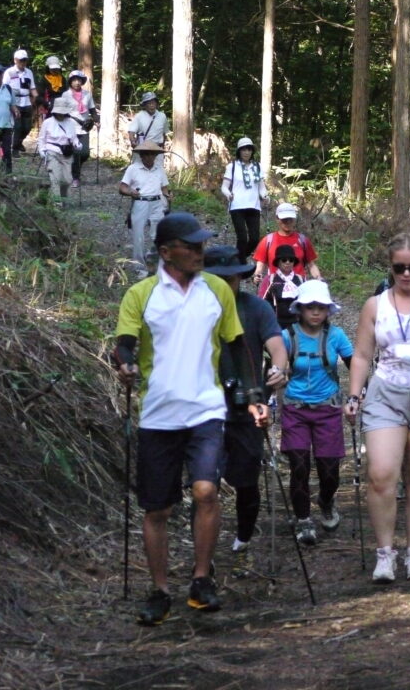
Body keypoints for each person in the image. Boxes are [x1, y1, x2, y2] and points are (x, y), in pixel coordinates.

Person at [114, 212, 267, 626]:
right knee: (157, 509)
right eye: (192, 246)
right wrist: (124, 364)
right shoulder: (141, 295)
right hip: (158, 414)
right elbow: (124, 344)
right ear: (166, 252)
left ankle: (201, 580)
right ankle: (160, 590)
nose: (201, 251)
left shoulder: (215, 290)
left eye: (203, 244)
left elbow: (237, 346)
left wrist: (254, 396)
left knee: (206, 491)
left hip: (206, 409)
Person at [344, 233, 410, 582]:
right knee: (381, 475)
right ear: (390, 268)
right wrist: (354, 395)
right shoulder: (375, 305)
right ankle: (385, 554)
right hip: (387, 391)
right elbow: (362, 355)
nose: (406, 274)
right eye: (399, 268)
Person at [202, 245, 289, 576]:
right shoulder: (195, 308)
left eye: (232, 278)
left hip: (247, 404)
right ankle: (204, 555)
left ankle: (243, 541)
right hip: (203, 406)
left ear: (241, 277)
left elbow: (276, 346)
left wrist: (278, 369)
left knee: (247, 480)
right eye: (218, 278)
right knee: (203, 483)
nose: (226, 284)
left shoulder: (256, 308)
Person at [281, 280, 353, 545]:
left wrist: (357, 395)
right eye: (310, 306)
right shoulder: (287, 336)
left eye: (321, 307)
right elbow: (275, 367)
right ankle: (303, 520)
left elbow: (354, 363)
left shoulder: (336, 336)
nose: (315, 312)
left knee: (329, 470)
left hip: (328, 408)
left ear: (327, 310)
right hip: (295, 409)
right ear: (299, 309)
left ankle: (326, 499)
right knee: (299, 465)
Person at [119, 142, 172, 267]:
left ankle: (157, 262)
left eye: (152, 154)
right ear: (141, 155)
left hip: (157, 203)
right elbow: (122, 187)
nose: (149, 157)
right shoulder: (133, 168)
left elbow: (164, 188)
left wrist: (168, 195)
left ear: (156, 156)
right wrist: (130, 192)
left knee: (159, 234)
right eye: (146, 154)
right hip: (140, 202)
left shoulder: (159, 169)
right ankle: (139, 267)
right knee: (138, 236)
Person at [220, 137, 269, 263]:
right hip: (237, 206)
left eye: (249, 149)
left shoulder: (258, 167)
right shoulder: (232, 166)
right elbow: (224, 187)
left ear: (252, 151)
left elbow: (261, 188)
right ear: (239, 151)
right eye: (243, 150)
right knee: (242, 238)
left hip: (254, 206)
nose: (246, 152)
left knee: (254, 239)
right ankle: (240, 265)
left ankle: (236, 259)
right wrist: (228, 194)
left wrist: (265, 196)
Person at [251, 203, 321, 284]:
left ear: (294, 219)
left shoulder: (302, 240)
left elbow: (311, 265)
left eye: (290, 219)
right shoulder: (268, 240)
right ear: (277, 219)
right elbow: (260, 264)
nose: (288, 222)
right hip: (276, 286)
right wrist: (257, 276)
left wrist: (319, 278)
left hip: (299, 285)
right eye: (284, 219)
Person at [37, 98, 82, 204]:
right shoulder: (47, 122)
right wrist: (42, 150)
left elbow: (73, 138)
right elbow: (41, 138)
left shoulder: (70, 123)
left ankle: (63, 199)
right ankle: (56, 203)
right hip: (52, 151)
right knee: (55, 178)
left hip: (67, 153)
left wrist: (77, 144)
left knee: (67, 180)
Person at [64, 70, 98, 189]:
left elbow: (92, 110)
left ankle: (74, 167)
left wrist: (97, 120)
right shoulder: (66, 95)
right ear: (70, 82)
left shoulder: (87, 94)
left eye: (79, 80)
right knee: (76, 153)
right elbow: (61, 111)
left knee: (84, 153)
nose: (77, 82)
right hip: (70, 128)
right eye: (74, 80)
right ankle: (75, 178)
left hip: (84, 128)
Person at [260, 244, 305, 330]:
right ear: (278, 262)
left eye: (291, 260)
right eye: (284, 260)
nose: (287, 262)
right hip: (276, 325)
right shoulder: (270, 280)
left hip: (298, 324)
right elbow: (262, 302)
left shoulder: (300, 279)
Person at [4, 49, 37, 155]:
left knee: (27, 127)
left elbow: (32, 88)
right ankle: (15, 149)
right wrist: (9, 103)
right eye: (21, 60)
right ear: (15, 60)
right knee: (17, 127)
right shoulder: (9, 72)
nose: (23, 62)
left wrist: (37, 99)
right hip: (15, 102)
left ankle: (18, 143)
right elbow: (5, 88)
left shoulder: (29, 72)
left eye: (25, 60)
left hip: (27, 102)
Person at [128, 92, 167, 167]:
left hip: (156, 150)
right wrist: (133, 142)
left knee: (157, 171)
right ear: (145, 105)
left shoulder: (162, 116)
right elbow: (131, 132)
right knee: (139, 169)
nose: (151, 105)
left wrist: (162, 147)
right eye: (149, 103)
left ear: (156, 104)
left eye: (153, 102)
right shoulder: (139, 116)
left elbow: (164, 133)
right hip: (142, 150)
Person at [36, 56, 67, 126]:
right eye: (52, 69)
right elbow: (40, 95)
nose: (54, 70)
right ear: (48, 68)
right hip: (48, 106)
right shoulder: (44, 79)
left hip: (61, 106)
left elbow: (65, 92)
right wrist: (46, 104)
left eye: (56, 68)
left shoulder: (62, 79)